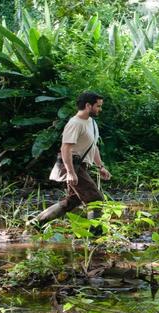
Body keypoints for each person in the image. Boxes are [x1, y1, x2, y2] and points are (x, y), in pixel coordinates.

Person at [30, 91, 111, 226]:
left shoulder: (92, 123)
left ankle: (35, 223)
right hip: (72, 164)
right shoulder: (75, 123)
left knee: (73, 201)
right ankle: (96, 235)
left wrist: (100, 166)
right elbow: (65, 148)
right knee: (95, 199)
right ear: (88, 105)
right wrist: (70, 172)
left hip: (81, 165)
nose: (100, 109)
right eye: (98, 106)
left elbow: (93, 147)